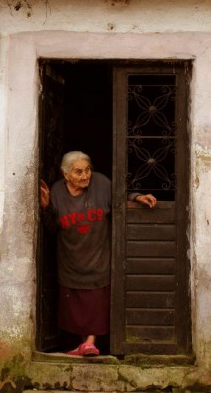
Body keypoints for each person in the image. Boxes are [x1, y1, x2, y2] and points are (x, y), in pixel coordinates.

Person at [40, 151, 157, 356]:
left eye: (87, 170)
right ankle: (83, 345)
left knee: (96, 301)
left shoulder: (101, 184)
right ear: (66, 174)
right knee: (75, 305)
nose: (85, 176)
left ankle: (91, 342)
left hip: (98, 255)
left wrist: (137, 197)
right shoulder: (57, 192)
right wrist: (45, 207)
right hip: (70, 258)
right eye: (78, 172)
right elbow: (51, 228)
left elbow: (120, 197)